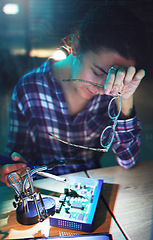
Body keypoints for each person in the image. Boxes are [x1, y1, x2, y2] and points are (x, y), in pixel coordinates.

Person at [0, 4, 147, 186]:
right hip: (43, 188)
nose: (104, 88)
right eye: (98, 71)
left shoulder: (112, 94)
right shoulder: (28, 89)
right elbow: (16, 156)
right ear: (76, 46)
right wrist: (12, 168)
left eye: (115, 76)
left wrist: (125, 99)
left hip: (91, 186)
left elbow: (128, 161)